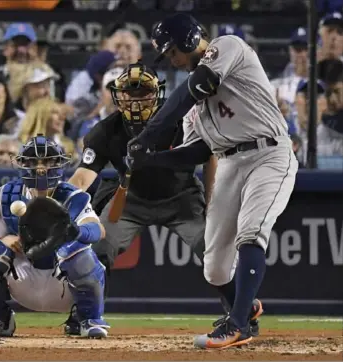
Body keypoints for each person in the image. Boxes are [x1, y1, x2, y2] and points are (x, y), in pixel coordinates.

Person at [128, 13, 298, 349]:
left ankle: (235, 325)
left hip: (269, 153)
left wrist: (150, 134)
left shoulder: (227, 47)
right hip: (230, 163)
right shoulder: (194, 109)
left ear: (189, 39)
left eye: (173, 51)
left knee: (251, 231)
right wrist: (151, 159)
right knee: (215, 268)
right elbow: (197, 152)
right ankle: (245, 310)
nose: (172, 59)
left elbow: (198, 85)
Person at [67, 62, 216, 334]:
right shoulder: (105, 130)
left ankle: (241, 312)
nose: (135, 100)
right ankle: (85, 313)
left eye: (143, 93)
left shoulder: (183, 119)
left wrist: (214, 200)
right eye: (129, 93)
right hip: (131, 198)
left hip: (182, 197)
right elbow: (82, 178)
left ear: (157, 94)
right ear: (117, 96)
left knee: (214, 248)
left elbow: (211, 154)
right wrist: (58, 206)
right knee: (97, 248)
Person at [0, 135, 110, 338]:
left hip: (62, 282)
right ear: (22, 164)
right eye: (33, 162)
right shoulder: (5, 196)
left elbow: (98, 230)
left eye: (48, 161)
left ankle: (88, 319)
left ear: (59, 163)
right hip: (23, 278)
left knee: (77, 249)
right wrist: (6, 240)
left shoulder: (72, 196)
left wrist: (78, 232)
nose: (41, 168)